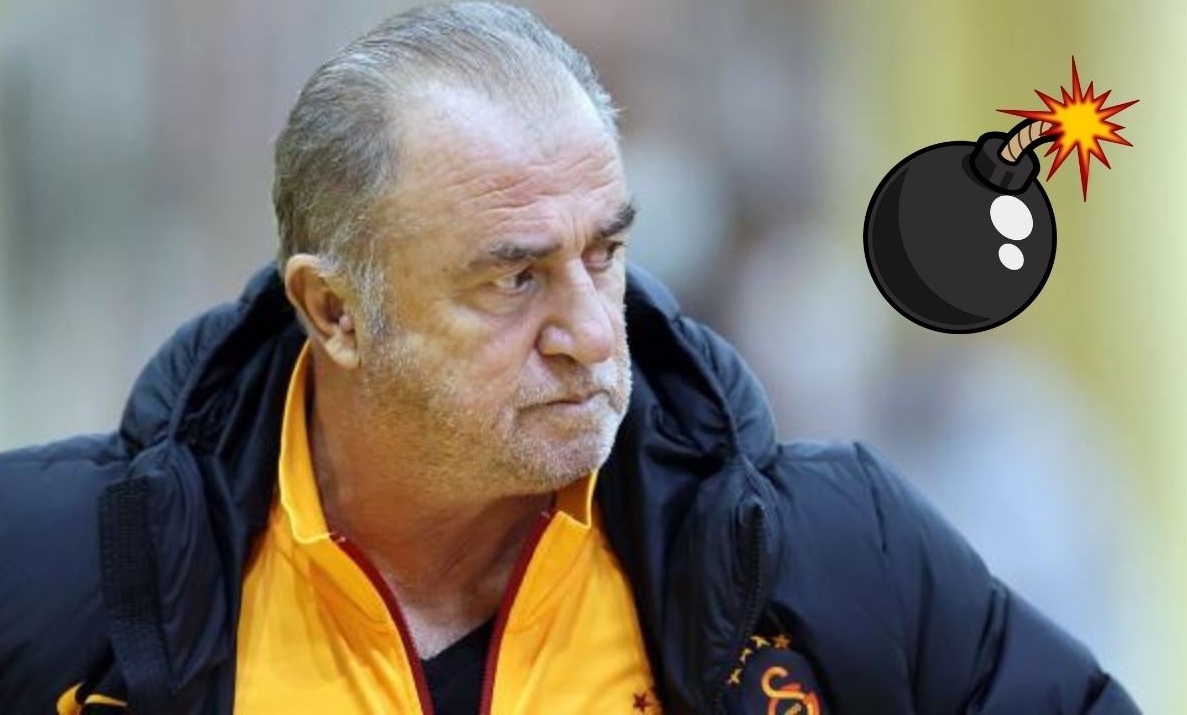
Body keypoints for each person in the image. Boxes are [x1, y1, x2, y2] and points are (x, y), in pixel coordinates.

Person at [0, 3, 1138, 713]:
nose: (592, 332)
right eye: (514, 279)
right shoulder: (43, 569)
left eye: (604, 254)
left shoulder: (841, 553)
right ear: (334, 311)